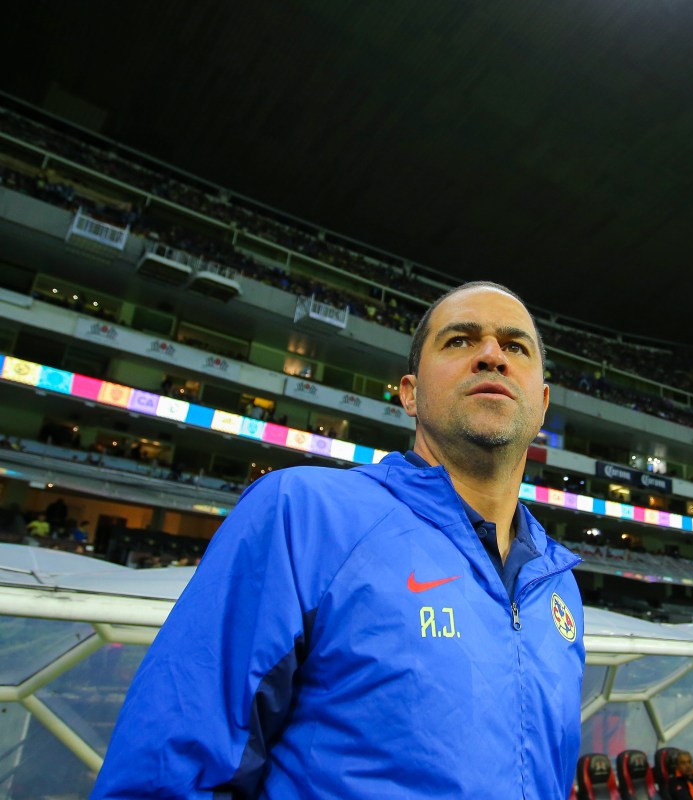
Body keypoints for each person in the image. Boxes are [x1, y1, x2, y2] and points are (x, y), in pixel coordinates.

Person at [92, 282, 585, 798]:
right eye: (460, 340)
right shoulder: (303, 513)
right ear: (410, 393)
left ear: (542, 404)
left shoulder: (557, 583)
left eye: (515, 346)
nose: (491, 355)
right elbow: (170, 770)